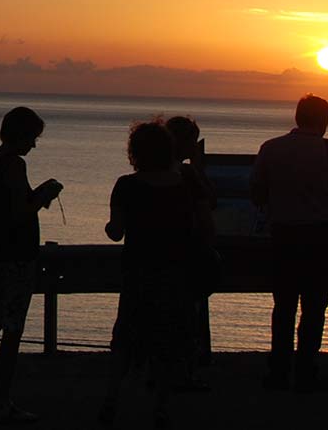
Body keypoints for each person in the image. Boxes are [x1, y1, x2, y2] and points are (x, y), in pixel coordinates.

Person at [101, 121, 214, 428]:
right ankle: (161, 407)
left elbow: (116, 231)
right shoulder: (184, 184)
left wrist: (112, 225)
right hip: (176, 271)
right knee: (167, 341)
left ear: (134, 152)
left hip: (138, 271)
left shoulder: (126, 185)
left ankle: (111, 399)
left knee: (124, 338)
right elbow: (204, 224)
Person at [251, 95, 328, 392]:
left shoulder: (271, 149)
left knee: (283, 306)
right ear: (323, 121)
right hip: (321, 236)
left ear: (298, 117)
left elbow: (257, 193)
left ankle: (279, 370)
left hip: (283, 234)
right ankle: (307, 369)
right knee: (314, 307)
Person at [0, 106, 62, 423]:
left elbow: (3, 207)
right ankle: (1, 401)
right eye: (32, 138)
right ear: (21, 135)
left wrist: (35, 195)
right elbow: (19, 214)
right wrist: (43, 195)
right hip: (15, 260)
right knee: (11, 331)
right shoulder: (14, 164)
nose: (34, 145)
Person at [165, 115, 217, 386]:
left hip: (155, 258)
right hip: (185, 255)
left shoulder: (143, 176)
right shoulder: (187, 175)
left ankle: (158, 372)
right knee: (186, 317)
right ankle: (184, 374)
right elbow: (209, 203)